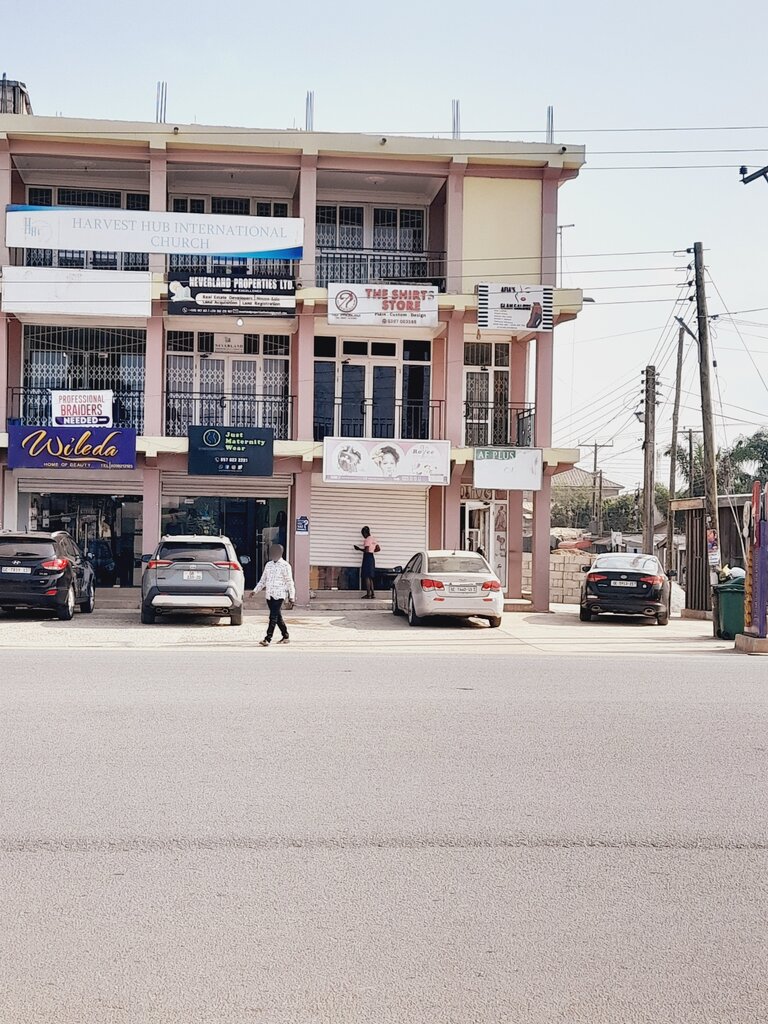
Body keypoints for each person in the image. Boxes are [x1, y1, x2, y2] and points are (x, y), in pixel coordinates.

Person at [249, 543, 295, 647]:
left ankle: (267, 638)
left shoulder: (285, 566)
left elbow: (289, 582)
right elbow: (263, 580)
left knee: (273, 617)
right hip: (269, 595)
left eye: (276, 552)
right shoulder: (268, 565)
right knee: (277, 617)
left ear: (280, 553)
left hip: (279, 595)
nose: (273, 554)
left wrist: (291, 596)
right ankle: (286, 636)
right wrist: (255, 591)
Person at [354, 526, 380, 599]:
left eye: (363, 534)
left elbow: (366, 550)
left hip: (367, 557)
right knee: (370, 577)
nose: (363, 536)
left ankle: (368, 594)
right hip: (371, 557)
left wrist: (358, 549)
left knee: (366, 576)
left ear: (365, 533)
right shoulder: (373, 539)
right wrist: (372, 551)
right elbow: (378, 549)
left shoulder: (367, 540)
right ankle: (373, 594)